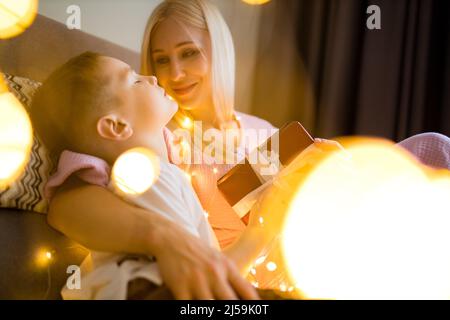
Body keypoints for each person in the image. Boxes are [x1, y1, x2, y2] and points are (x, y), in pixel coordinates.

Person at [44, 0, 289, 299]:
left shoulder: (263, 132)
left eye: (188, 53)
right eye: (161, 60)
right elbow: (67, 206)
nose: (174, 74)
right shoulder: (152, 147)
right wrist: (164, 237)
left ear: (220, 51)